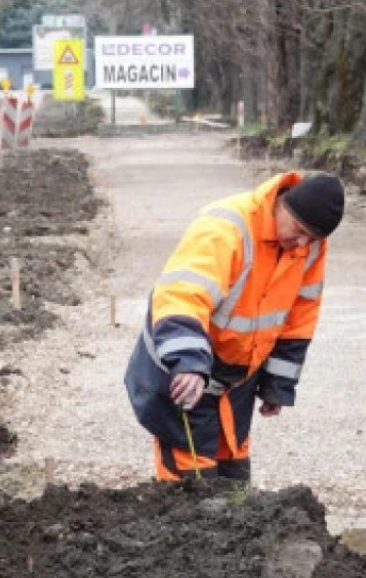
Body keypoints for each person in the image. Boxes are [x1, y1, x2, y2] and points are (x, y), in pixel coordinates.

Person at [124, 172, 345, 481]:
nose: (303, 243)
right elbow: (182, 296)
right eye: (299, 230)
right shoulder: (224, 229)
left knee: (234, 474)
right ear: (282, 204)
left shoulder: (309, 246)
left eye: (313, 238)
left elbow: (299, 317)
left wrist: (277, 385)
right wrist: (188, 363)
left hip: (237, 380)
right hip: (184, 371)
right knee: (192, 480)